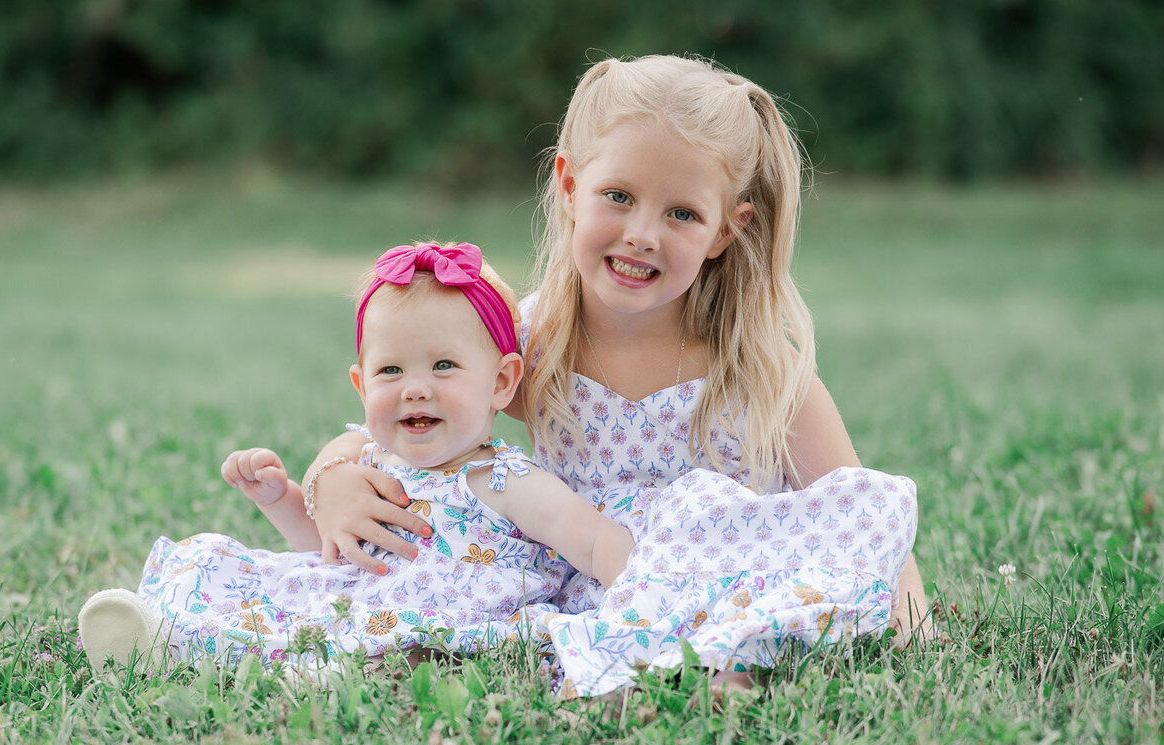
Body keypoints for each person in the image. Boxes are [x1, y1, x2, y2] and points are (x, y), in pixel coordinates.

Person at [303, 55, 933, 696]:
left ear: (725, 230)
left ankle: (725, 670)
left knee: (776, 566)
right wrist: (330, 479)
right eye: (619, 197)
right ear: (571, 187)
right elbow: (408, 416)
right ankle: (648, 674)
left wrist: (913, 630)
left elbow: (860, 515)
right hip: (597, 583)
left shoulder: (760, 369)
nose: (642, 235)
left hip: (723, 577)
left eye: (682, 214)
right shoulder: (530, 344)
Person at [78, 241, 634, 673]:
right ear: (361, 386)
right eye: (391, 370)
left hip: (432, 629)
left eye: (444, 366)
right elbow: (327, 548)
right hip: (347, 601)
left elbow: (591, 539)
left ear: (501, 382)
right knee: (233, 577)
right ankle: (159, 636)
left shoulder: (504, 480)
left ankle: (244, 661)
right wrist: (279, 499)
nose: (415, 388)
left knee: (390, 652)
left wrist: (646, 596)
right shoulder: (370, 465)